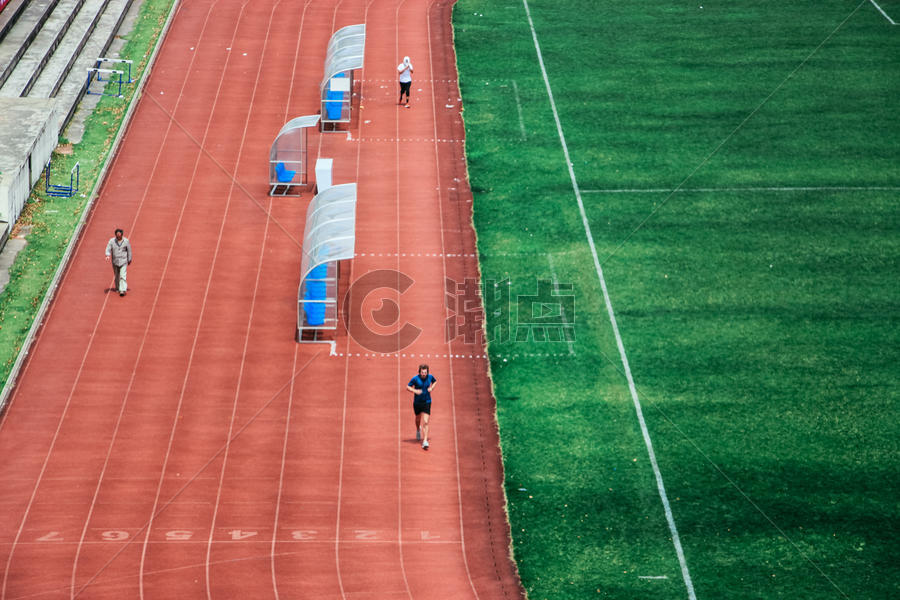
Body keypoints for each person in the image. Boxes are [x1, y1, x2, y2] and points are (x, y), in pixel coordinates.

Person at [407, 364, 436, 450]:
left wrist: (432, 387)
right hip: (417, 402)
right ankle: (418, 430)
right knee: (418, 419)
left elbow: (435, 381)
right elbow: (408, 387)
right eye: (422, 372)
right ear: (419, 372)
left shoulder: (430, 377)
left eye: (425, 372)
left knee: (426, 421)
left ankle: (425, 441)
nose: (424, 374)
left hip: (427, 402)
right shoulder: (415, 378)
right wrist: (415, 390)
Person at [105, 228, 132, 296]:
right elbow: (108, 248)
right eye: (117, 235)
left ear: (122, 235)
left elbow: (129, 251)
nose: (118, 237)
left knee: (122, 275)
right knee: (117, 275)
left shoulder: (126, 241)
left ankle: (122, 290)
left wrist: (129, 259)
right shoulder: (112, 241)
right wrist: (107, 255)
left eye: (119, 235)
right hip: (115, 261)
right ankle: (117, 287)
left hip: (123, 261)